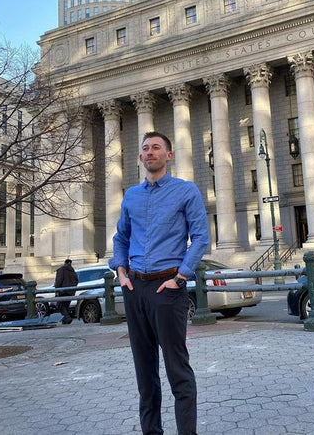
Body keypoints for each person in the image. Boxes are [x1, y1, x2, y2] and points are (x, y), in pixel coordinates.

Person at [109, 131, 209, 435]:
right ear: (140, 158)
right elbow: (121, 237)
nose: (149, 153)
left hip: (168, 288)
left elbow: (201, 236)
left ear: (169, 155)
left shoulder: (186, 191)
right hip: (134, 288)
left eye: (156, 148)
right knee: (145, 372)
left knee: (177, 369)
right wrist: (121, 272)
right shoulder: (131, 196)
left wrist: (181, 276)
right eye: (145, 149)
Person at [54, 258, 78, 324]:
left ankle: (67, 318)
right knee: (66, 305)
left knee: (61, 306)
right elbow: (76, 280)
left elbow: (58, 281)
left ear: (64, 263)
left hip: (63, 291)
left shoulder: (61, 270)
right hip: (71, 291)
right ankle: (65, 321)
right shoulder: (72, 271)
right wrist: (73, 288)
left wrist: (57, 290)